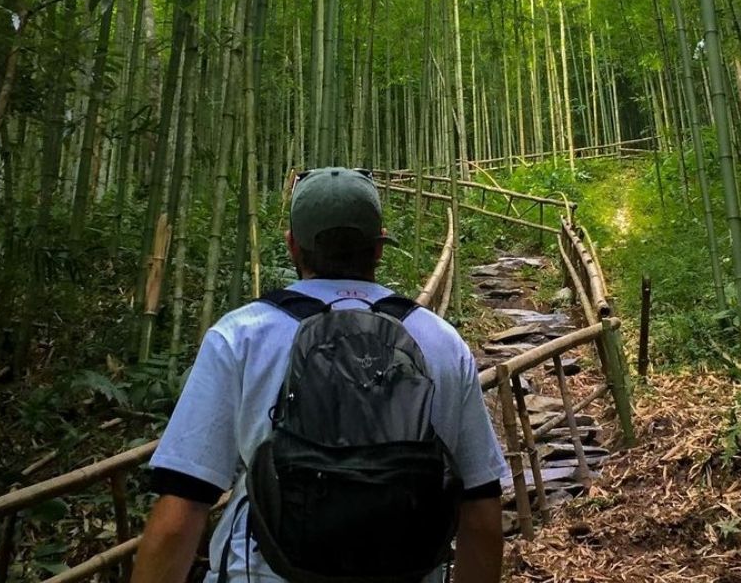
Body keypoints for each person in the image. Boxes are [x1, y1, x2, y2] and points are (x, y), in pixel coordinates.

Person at [132, 167, 507, 583]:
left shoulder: (241, 336)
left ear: (293, 245)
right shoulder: (439, 341)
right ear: (379, 246)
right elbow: (482, 514)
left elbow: (181, 512)